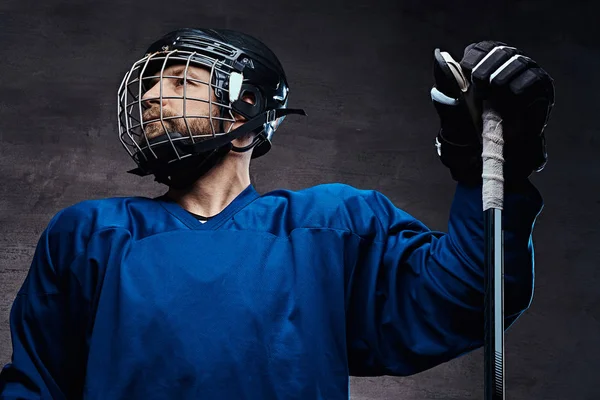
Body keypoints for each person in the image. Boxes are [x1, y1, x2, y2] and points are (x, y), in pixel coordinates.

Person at [0, 29, 554, 399]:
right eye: (148, 86)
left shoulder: (332, 226)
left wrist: (486, 164)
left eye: (181, 82)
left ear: (246, 115)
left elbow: (467, 298)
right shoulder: (87, 234)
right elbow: (36, 384)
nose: (151, 98)